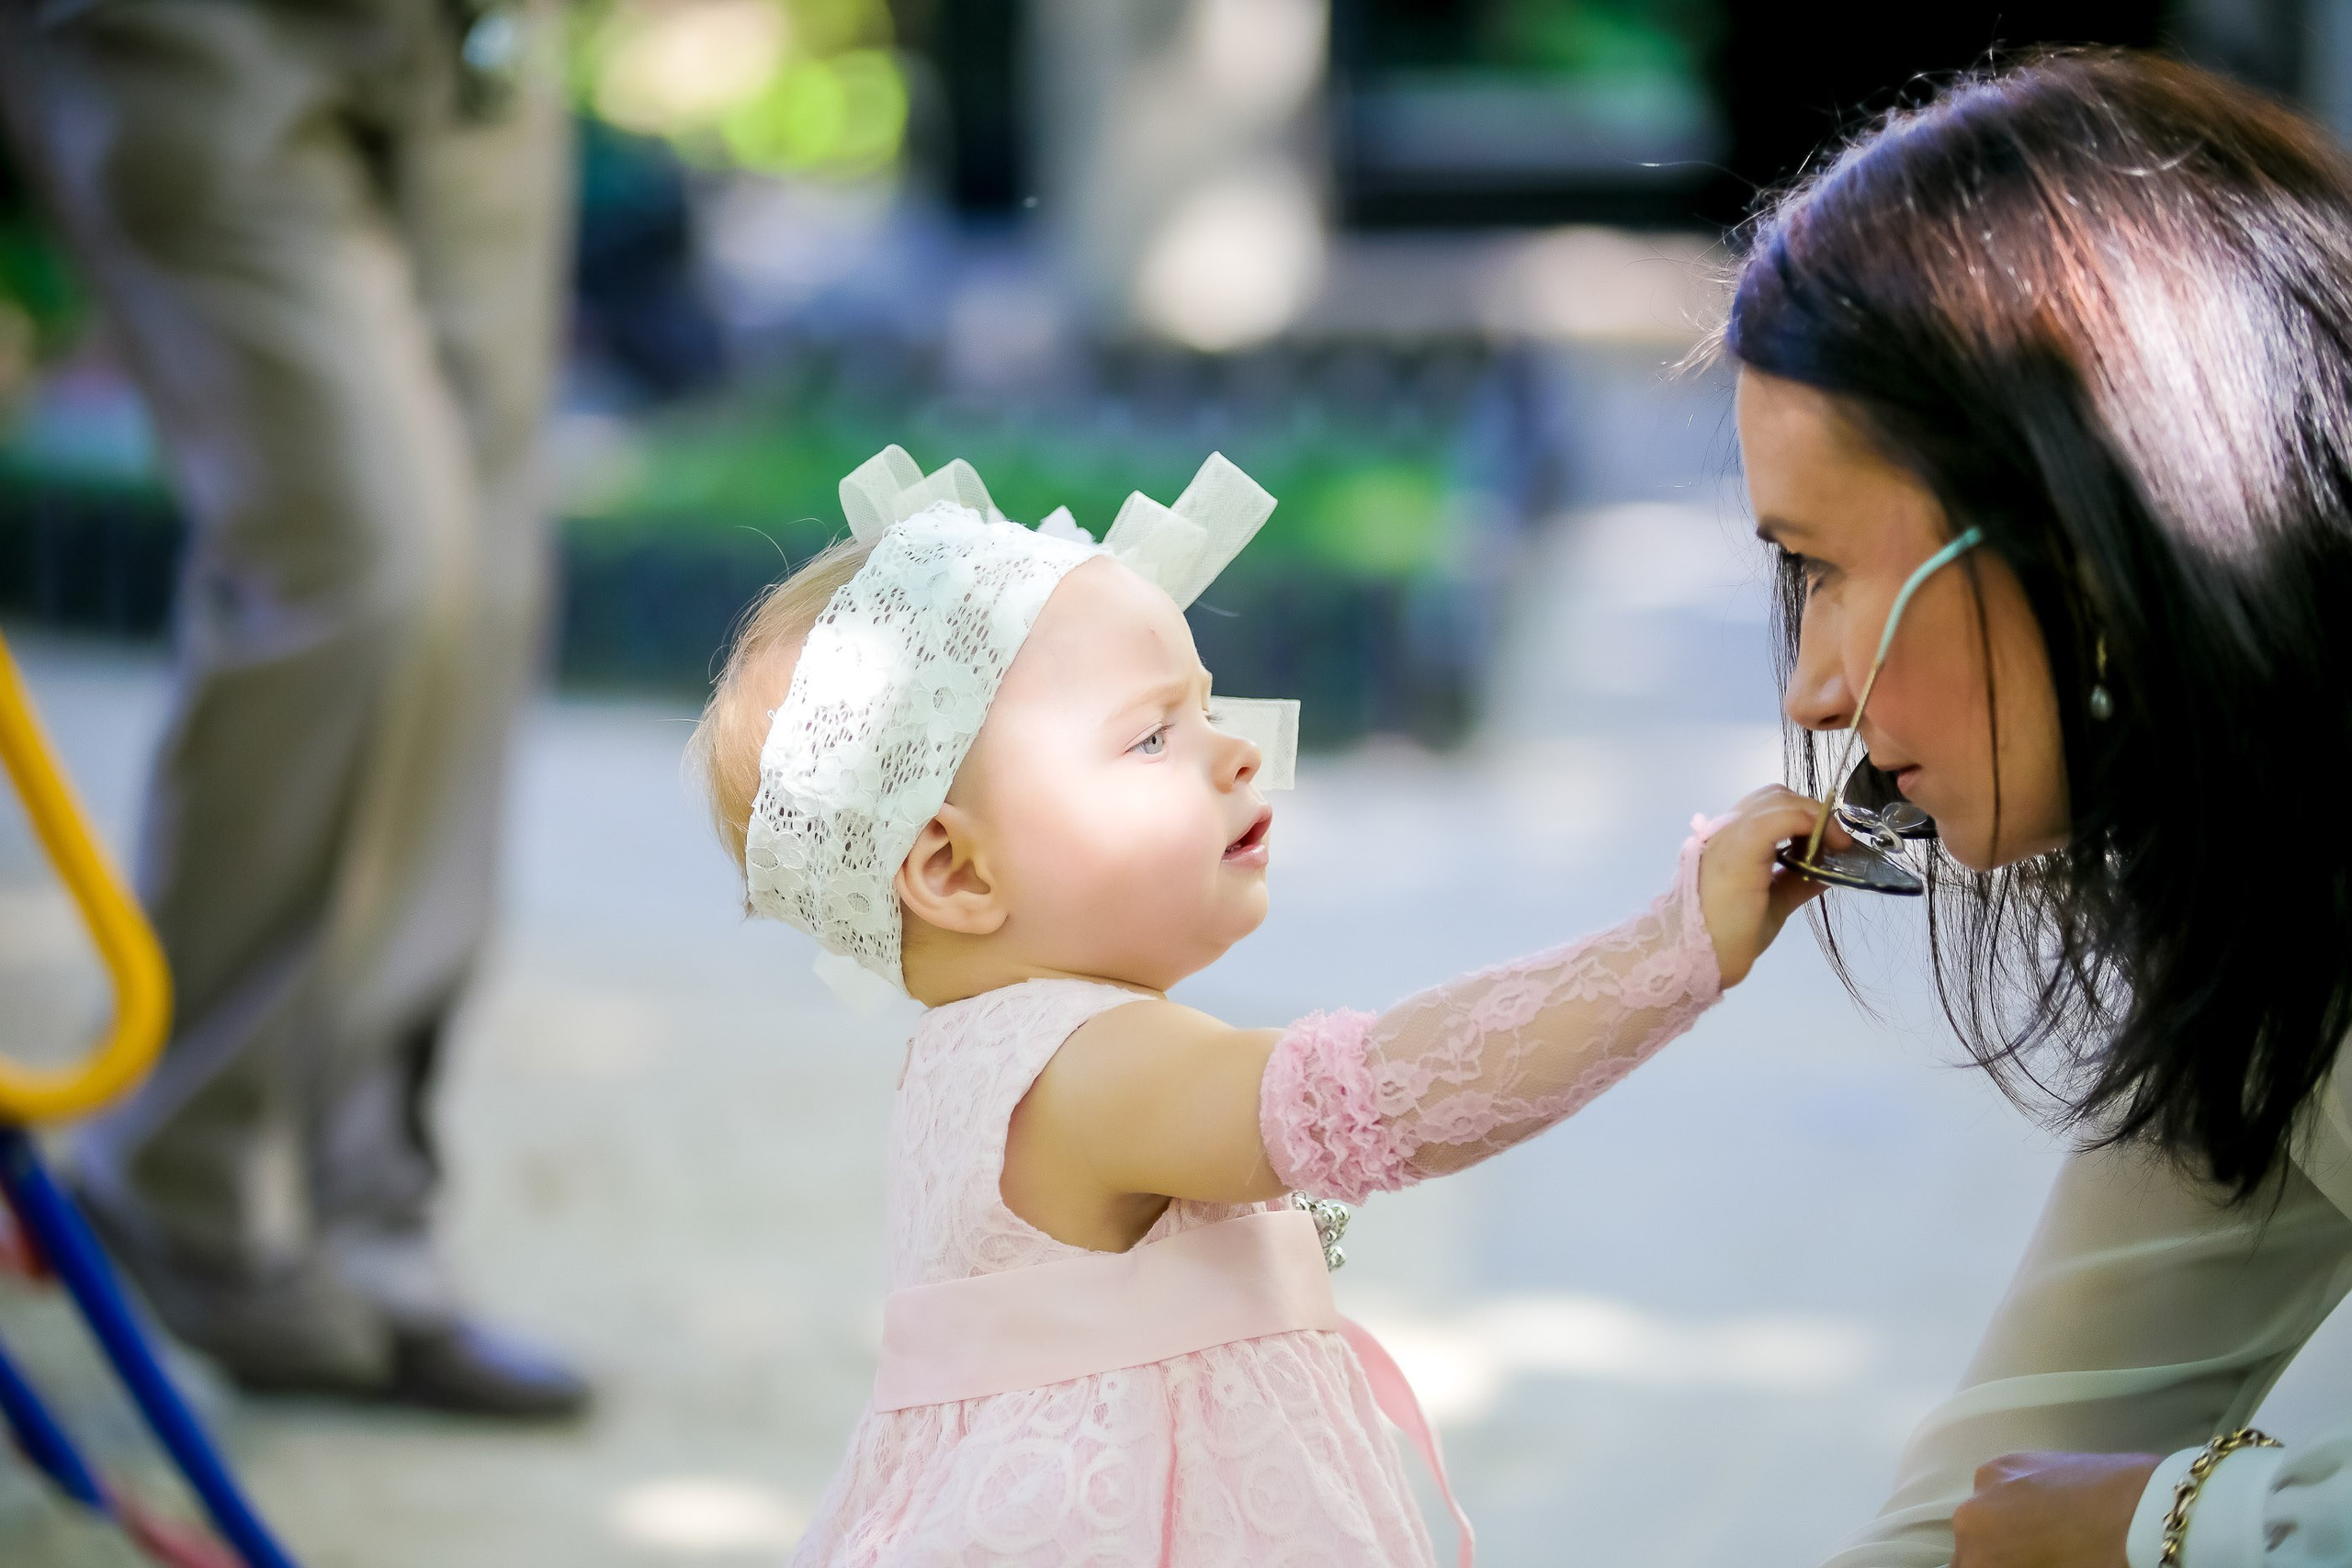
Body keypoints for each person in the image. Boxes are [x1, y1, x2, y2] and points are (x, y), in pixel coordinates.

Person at [687, 445, 1825, 1564]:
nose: (1235, 753)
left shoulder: (976, 1058)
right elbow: (1388, 1093)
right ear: (955, 871)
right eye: (1150, 735)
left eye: (1205, 707)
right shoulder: (1089, 1068)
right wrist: (1668, 953)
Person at [1722, 50, 2352, 1568]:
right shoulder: (2260, 895)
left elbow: (2060, 1506)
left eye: (1826, 567)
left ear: (2070, 517)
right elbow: (1981, 1497)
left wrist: (2177, 1519)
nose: (1812, 687)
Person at [0, 0, 588, 1413]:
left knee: (484, 587)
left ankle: (366, 1214)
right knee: (365, 558)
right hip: (195, 27)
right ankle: (189, 1165)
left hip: (475, 37)